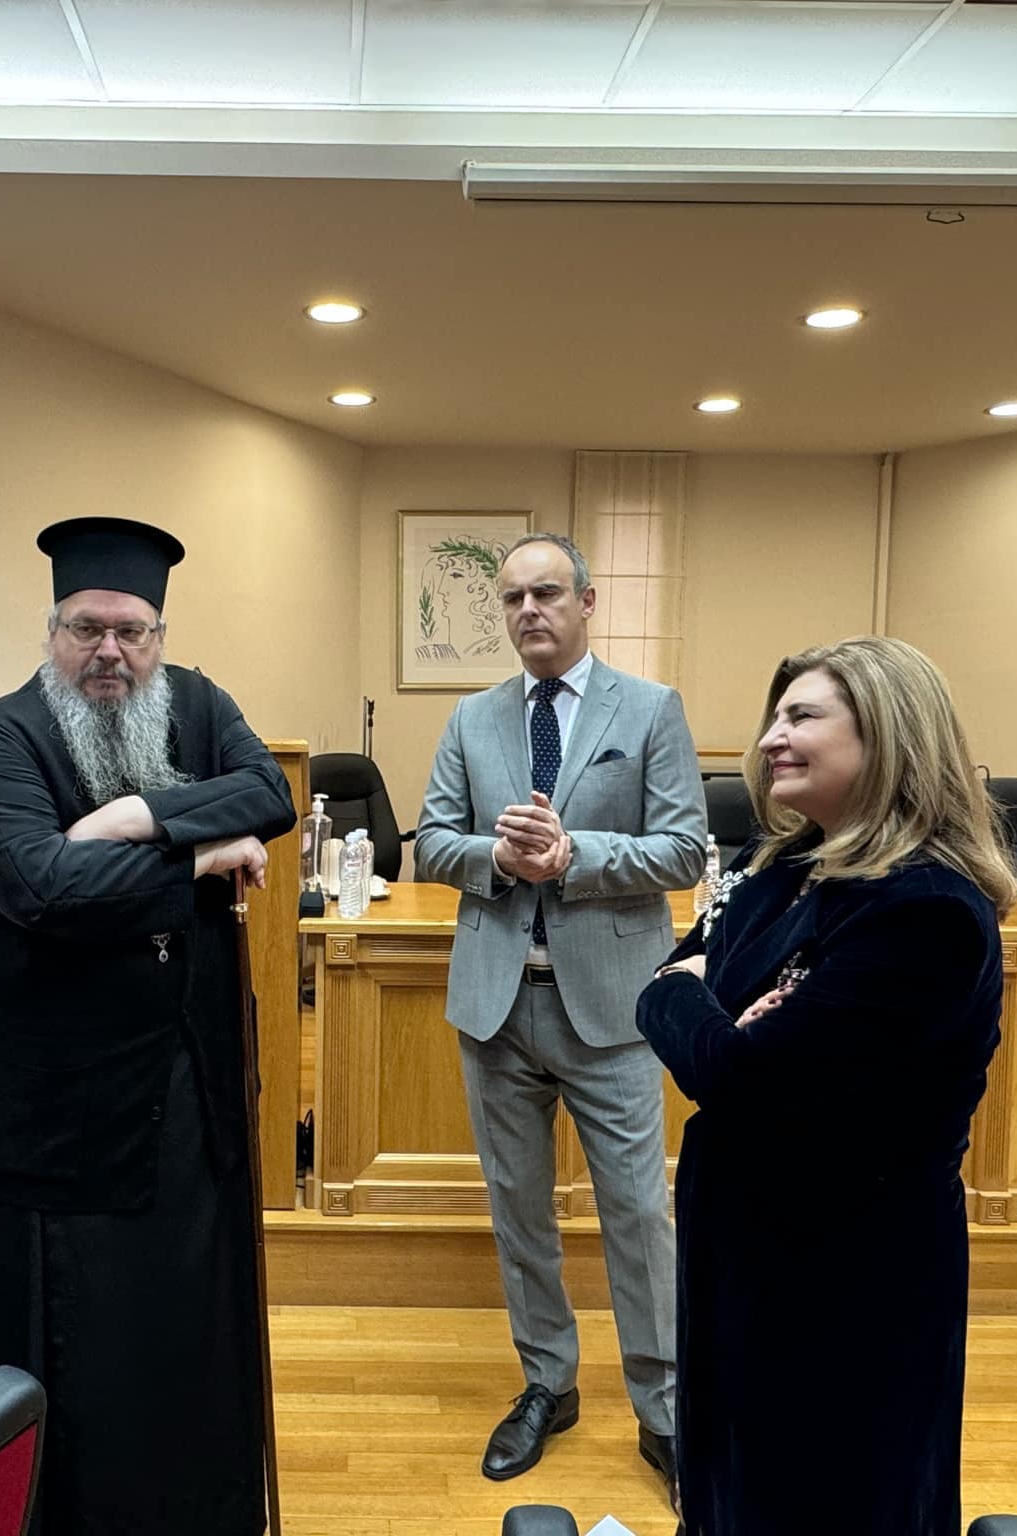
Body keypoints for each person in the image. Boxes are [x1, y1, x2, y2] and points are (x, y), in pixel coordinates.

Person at [0, 516, 296, 1536]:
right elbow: (42, 887)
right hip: (56, 1118)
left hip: (185, 1092)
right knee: (86, 1353)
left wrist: (136, 817)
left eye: (132, 632)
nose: (110, 652)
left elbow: (268, 791)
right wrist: (196, 854)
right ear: (53, 631)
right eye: (86, 629)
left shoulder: (198, 706)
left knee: (181, 1337)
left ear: (158, 637)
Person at [635, 636, 1017, 1536]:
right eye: (774, 716)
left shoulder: (926, 910)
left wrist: (701, 1003)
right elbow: (660, 986)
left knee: (829, 1491)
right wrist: (705, 1003)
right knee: (729, 1483)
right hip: (740, 1245)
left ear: (885, 735)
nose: (771, 737)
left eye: (801, 716)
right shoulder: (780, 864)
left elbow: (736, 1072)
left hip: (847, 1273)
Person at [413, 531, 707, 1495]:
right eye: (512, 598)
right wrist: (496, 858)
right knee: (518, 1210)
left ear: (587, 601)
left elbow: (683, 851)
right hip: (496, 1006)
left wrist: (574, 853)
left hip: (613, 1009)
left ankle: (666, 1410)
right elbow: (431, 842)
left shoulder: (651, 708)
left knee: (638, 1214)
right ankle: (548, 1382)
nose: (528, 611)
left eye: (546, 593)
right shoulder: (472, 718)